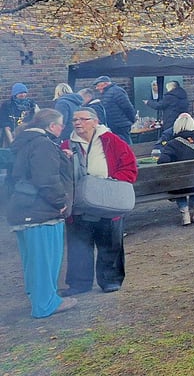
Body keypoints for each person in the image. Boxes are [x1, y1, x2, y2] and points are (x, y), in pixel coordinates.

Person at [7, 109, 77, 318]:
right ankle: (45, 303)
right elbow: (46, 179)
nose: (63, 128)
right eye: (61, 124)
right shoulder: (43, 144)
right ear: (51, 126)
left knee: (32, 260)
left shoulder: (24, 142)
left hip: (23, 210)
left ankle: (37, 296)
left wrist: (59, 156)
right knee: (45, 260)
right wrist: (60, 203)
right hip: (40, 213)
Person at [62, 107, 138, 295]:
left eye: (83, 119)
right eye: (74, 120)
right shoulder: (66, 144)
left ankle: (110, 280)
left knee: (110, 242)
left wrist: (111, 184)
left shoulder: (112, 141)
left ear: (95, 121)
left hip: (108, 201)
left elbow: (129, 167)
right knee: (79, 244)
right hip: (79, 204)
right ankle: (80, 283)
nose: (78, 123)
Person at [93, 76, 136, 144]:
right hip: (115, 125)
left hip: (121, 125)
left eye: (98, 85)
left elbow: (127, 107)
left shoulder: (117, 91)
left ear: (105, 84)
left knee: (126, 144)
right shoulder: (108, 93)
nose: (97, 88)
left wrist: (132, 120)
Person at [2, 83, 39, 147]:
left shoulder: (31, 103)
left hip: (28, 134)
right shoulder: (7, 105)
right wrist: (11, 141)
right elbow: (5, 123)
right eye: (20, 93)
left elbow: (37, 117)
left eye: (24, 92)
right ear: (15, 94)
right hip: (12, 133)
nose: (23, 94)